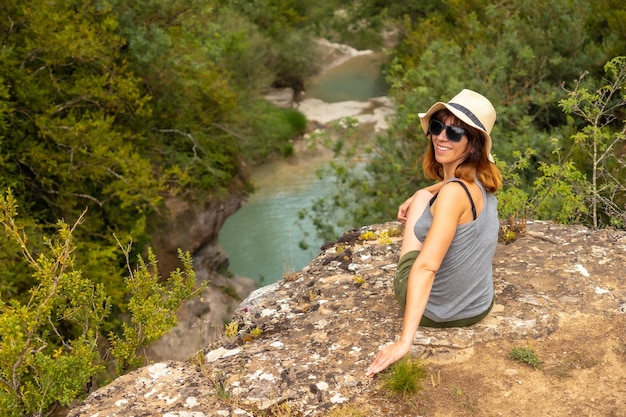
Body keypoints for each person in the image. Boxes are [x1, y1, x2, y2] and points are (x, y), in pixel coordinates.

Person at [365, 89, 503, 378]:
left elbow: (427, 266)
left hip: (438, 312)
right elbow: (454, 184)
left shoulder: (453, 194)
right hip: (478, 305)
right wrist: (426, 191)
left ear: (472, 144)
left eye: (454, 133)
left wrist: (404, 342)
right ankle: (420, 196)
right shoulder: (481, 177)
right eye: (438, 127)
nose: (441, 137)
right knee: (420, 196)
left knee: (419, 206)